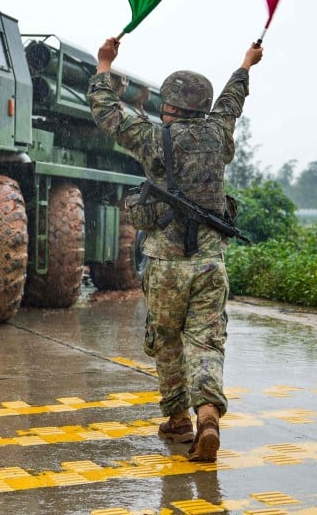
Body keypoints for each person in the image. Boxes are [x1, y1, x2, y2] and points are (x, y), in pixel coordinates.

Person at [86, 36, 263, 462]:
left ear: (171, 106)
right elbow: (230, 102)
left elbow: (107, 113)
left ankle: (178, 418)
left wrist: (104, 65)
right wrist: (246, 63)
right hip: (209, 264)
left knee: (165, 338)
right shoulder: (217, 134)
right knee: (206, 342)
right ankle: (207, 418)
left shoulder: (151, 137)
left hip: (165, 265)